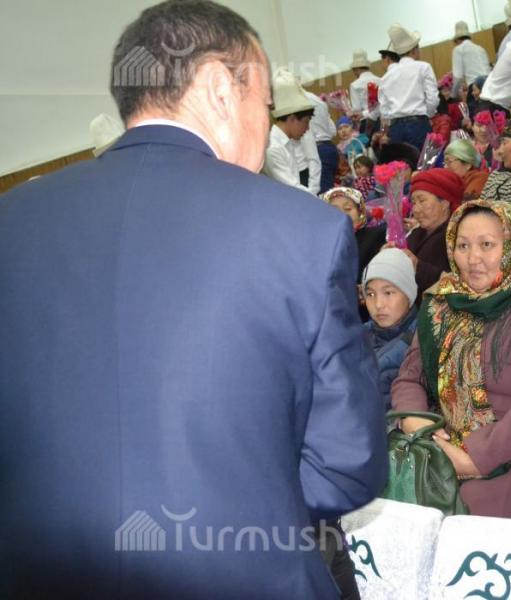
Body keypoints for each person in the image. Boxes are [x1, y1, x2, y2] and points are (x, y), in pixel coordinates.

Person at [0, 1, 386, 598]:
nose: (266, 125)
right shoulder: (300, 229)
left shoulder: (15, 221)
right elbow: (345, 464)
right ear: (219, 89)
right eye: (265, 104)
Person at [392, 200, 511, 519]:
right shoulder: (442, 301)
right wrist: (416, 423)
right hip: (439, 442)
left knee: (453, 516)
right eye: (463, 246)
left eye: (487, 245)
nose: (473, 259)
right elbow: (409, 377)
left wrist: (473, 459)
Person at [395, 168, 465, 299]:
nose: (415, 209)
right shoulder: (417, 233)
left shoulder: (458, 238)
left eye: (422, 201)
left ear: (444, 203)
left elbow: (462, 287)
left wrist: (418, 267)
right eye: (413, 202)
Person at [362, 249, 419, 411]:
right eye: (370, 294)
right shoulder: (356, 336)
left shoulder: (422, 339)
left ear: (408, 295)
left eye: (388, 292)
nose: (378, 304)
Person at [378, 24, 440, 151]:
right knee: (423, 161)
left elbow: (384, 110)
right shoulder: (423, 67)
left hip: (396, 128)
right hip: (418, 123)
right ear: (414, 50)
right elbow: (433, 99)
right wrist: (427, 115)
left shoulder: (386, 77)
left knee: (401, 162)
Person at [264, 68, 317, 192]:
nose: (307, 128)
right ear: (292, 119)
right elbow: (294, 189)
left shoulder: (287, 142)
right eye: (306, 122)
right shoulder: (273, 148)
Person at [324, 186, 386, 284]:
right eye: (334, 210)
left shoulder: (375, 237)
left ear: (360, 212)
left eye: (348, 208)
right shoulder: (320, 242)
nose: (342, 214)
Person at [303, 87, 339, 193]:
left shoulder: (298, 103)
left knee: (322, 195)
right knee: (328, 192)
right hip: (329, 148)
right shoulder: (318, 100)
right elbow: (333, 131)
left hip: (316, 150)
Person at [451, 21, 491, 98]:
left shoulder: (458, 49)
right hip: (489, 84)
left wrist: (453, 95)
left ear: (457, 40)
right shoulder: (480, 48)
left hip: (475, 87)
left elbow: (458, 77)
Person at [348, 49, 381, 137]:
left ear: (356, 69)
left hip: (366, 122)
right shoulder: (380, 80)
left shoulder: (355, 85)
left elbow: (356, 109)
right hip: (381, 120)